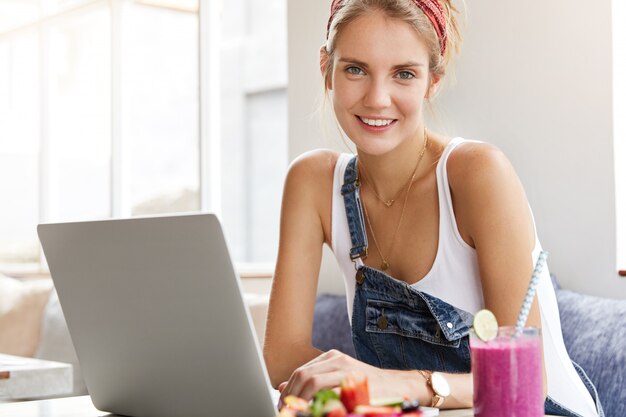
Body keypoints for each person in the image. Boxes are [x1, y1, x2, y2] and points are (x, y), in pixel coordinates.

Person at [263, 1, 603, 416]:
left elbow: (522, 381)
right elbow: (281, 356)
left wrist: (389, 383)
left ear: (432, 82)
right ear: (326, 68)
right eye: (355, 69)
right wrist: (363, 389)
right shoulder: (312, 183)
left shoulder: (477, 174)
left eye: (404, 74)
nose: (377, 98)